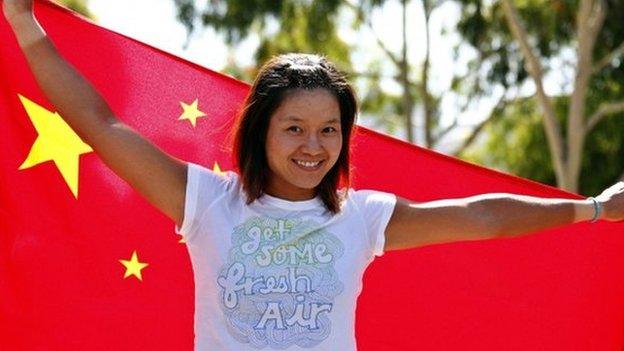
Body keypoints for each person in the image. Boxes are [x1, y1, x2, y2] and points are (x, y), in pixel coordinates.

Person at [3, 0, 624, 350]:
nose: (313, 145)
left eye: (330, 129)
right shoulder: (204, 201)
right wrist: (23, 20)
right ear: (261, 131)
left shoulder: (363, 217)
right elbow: (100, 125)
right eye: (294, 128)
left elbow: (481, 216)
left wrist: (593, 208)